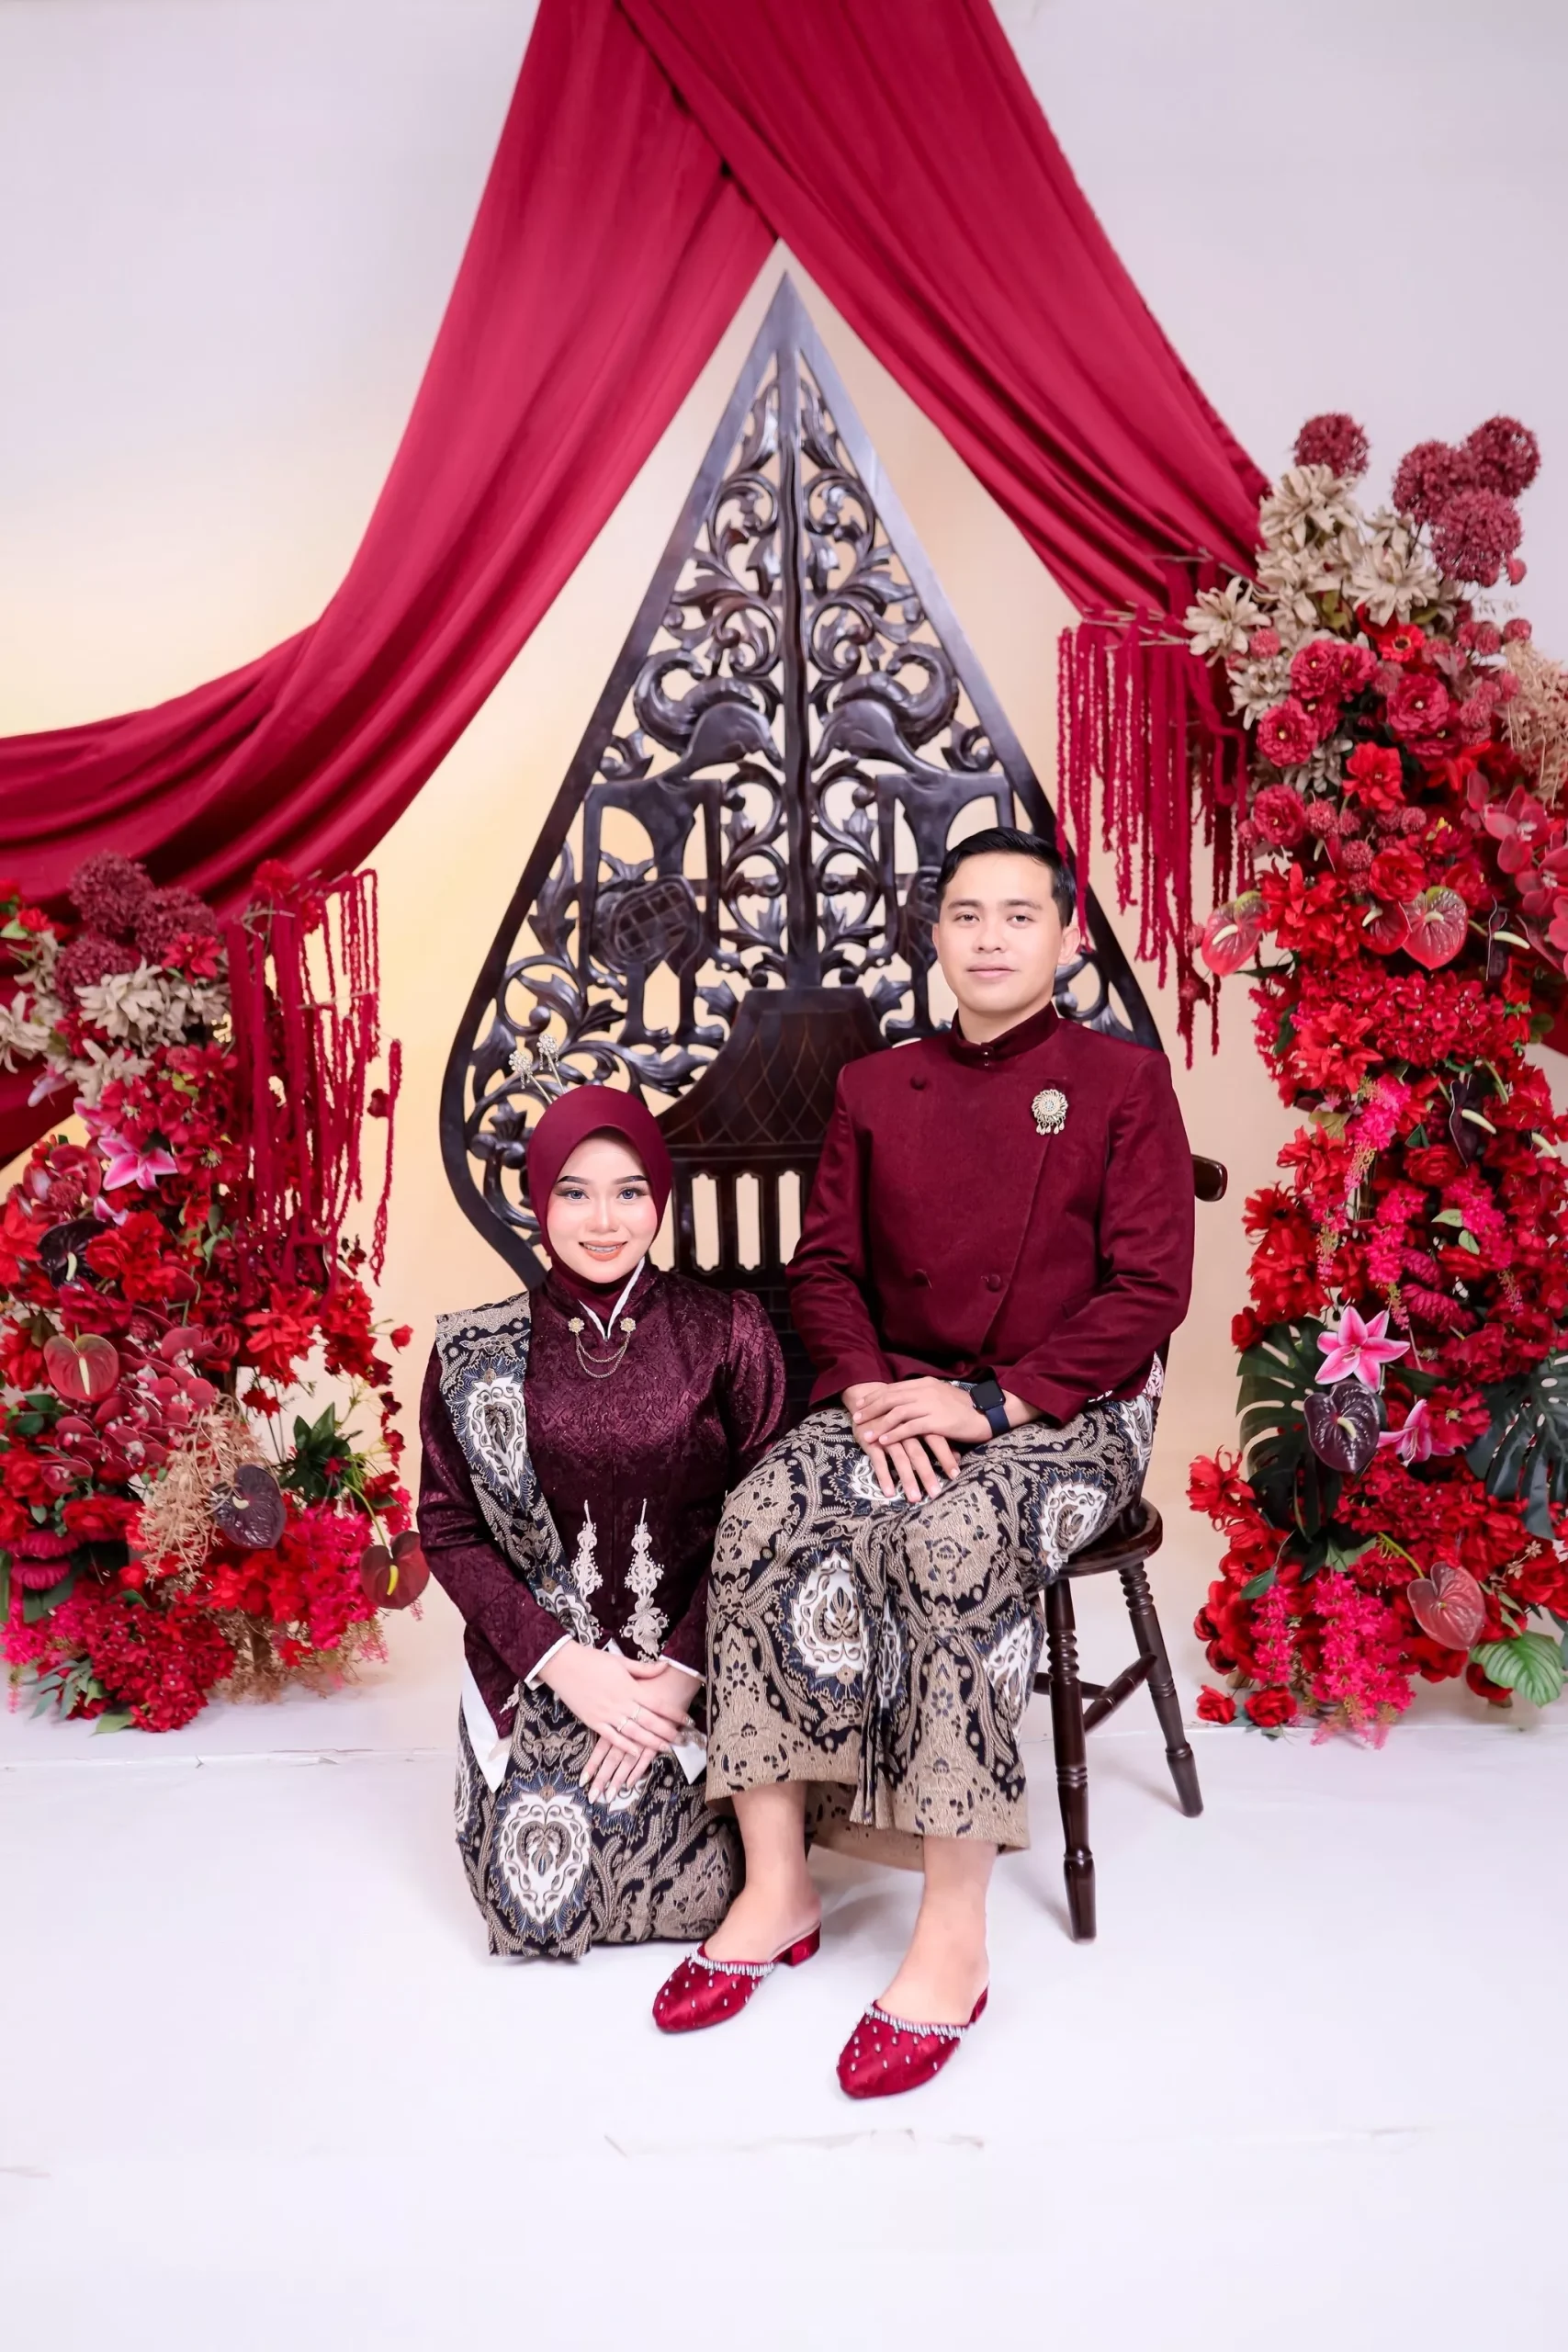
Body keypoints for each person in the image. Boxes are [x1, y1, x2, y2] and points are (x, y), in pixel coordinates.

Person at [652, 826, 1194, 2093]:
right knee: (759, 1514)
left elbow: (1147, 1292)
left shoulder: (1121, 1082)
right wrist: (867, 1388)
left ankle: (952, 1934)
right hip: (895, 1395)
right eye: (966, 915)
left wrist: (991, 1405)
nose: (991, 938)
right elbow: (825, 1269)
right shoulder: (874, 1084)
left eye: (1019, 915)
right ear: (933, 936)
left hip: (1065, 1410)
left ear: (1066, 938)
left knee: (949, 1541)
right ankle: (778, 1885)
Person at [417, 1081, 785, 1960]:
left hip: (699, 1668)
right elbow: (449, 1527)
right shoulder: (474, 1351)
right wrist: (564, 1664)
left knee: (719, 1888)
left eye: (629, 1192)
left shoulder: (728, 1330)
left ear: (660, 1199)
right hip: (545, 1664)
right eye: (575, 1193)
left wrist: (679, 1676)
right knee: (532, 1909)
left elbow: (771, 1515)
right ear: (539, 1202)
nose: (604, 1221)